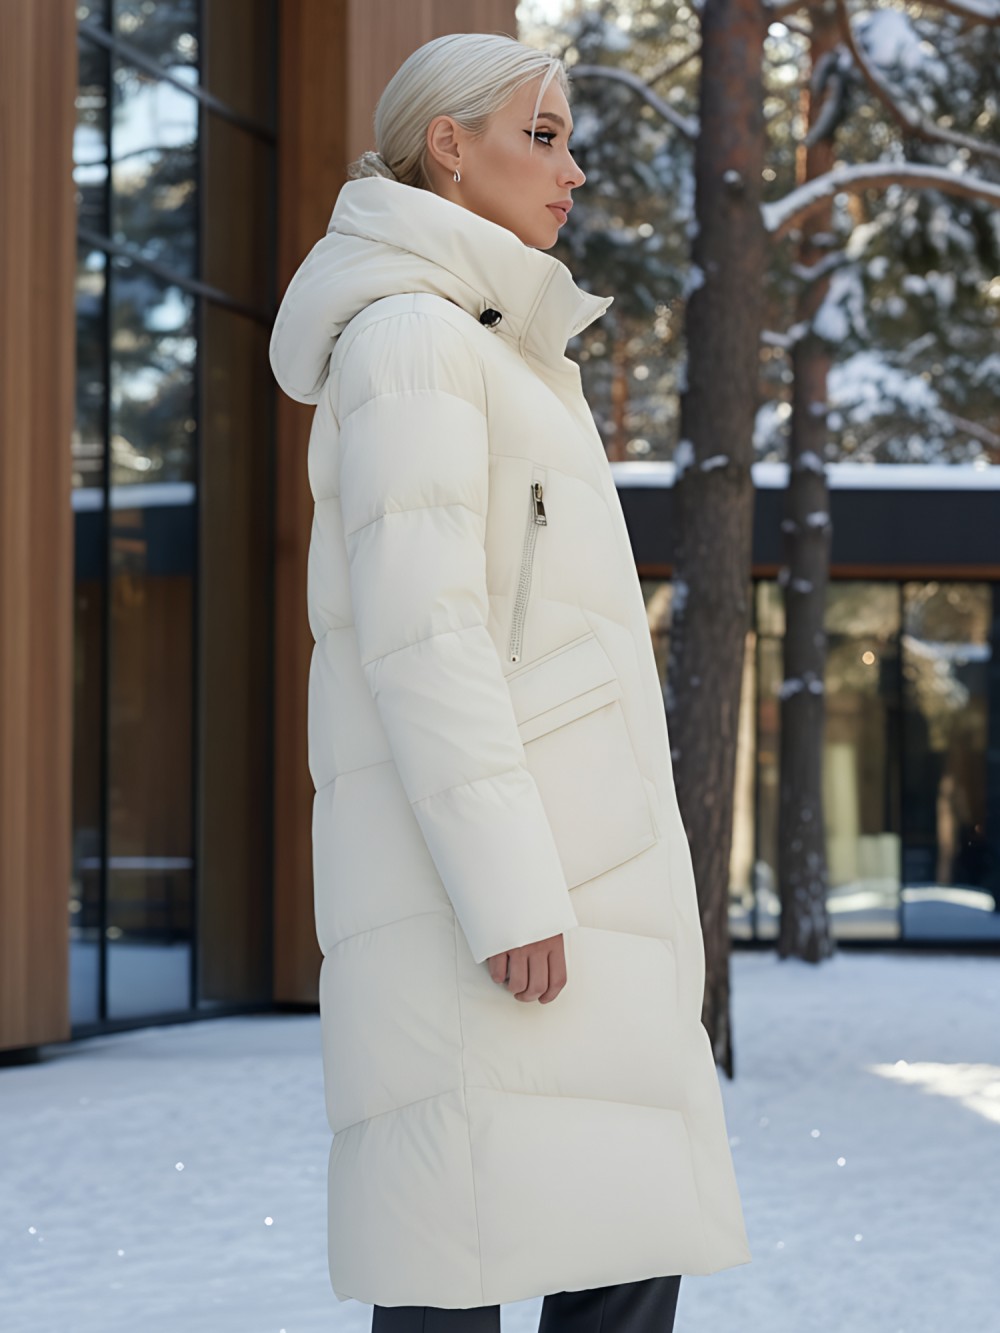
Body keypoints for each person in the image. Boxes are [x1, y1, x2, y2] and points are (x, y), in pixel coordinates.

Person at [269, 30, 751, 1332]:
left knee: (621, 1233)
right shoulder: (411, 342)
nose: (573, 170)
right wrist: (509, 890)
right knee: (460, 1256)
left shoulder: (498, 346)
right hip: (496, 906)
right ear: (449, 147)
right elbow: (422, 637)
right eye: (542, 137)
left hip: (572, 896)